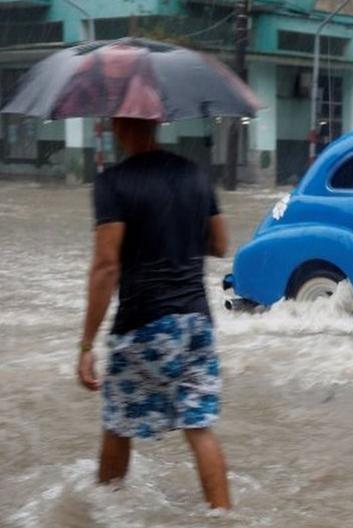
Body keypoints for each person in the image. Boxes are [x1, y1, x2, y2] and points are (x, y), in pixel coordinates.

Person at [76, 117, 232, 509]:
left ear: (117, 125)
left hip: (143, 323)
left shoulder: (113, 183)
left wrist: (86, 344)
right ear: (156, 123)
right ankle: (224, 516)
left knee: (118, 425)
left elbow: (106, 266)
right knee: (199, 428)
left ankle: (103, 514)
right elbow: (220, 244)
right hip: (197, 324)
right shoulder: (195, 174)